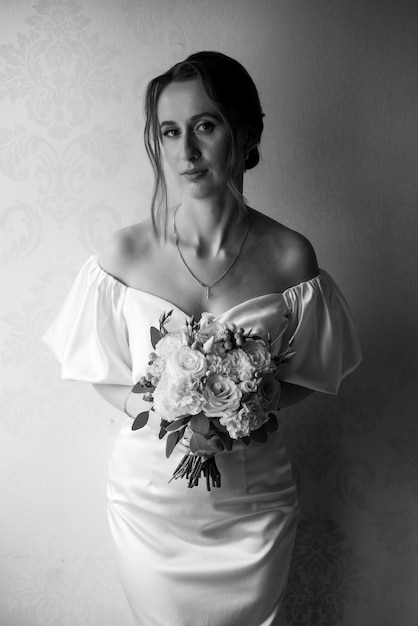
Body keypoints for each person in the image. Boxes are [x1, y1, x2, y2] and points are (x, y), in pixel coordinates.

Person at [43, 51, 362, 626]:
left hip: (254, 505)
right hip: (151, 505)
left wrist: (248, 406)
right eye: (170, 131)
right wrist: (169, 405)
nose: (186, 151)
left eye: (205, 126)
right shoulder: (124, 254)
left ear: (247, 134)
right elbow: (101, 370)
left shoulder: (292, 257)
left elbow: (310, 373)